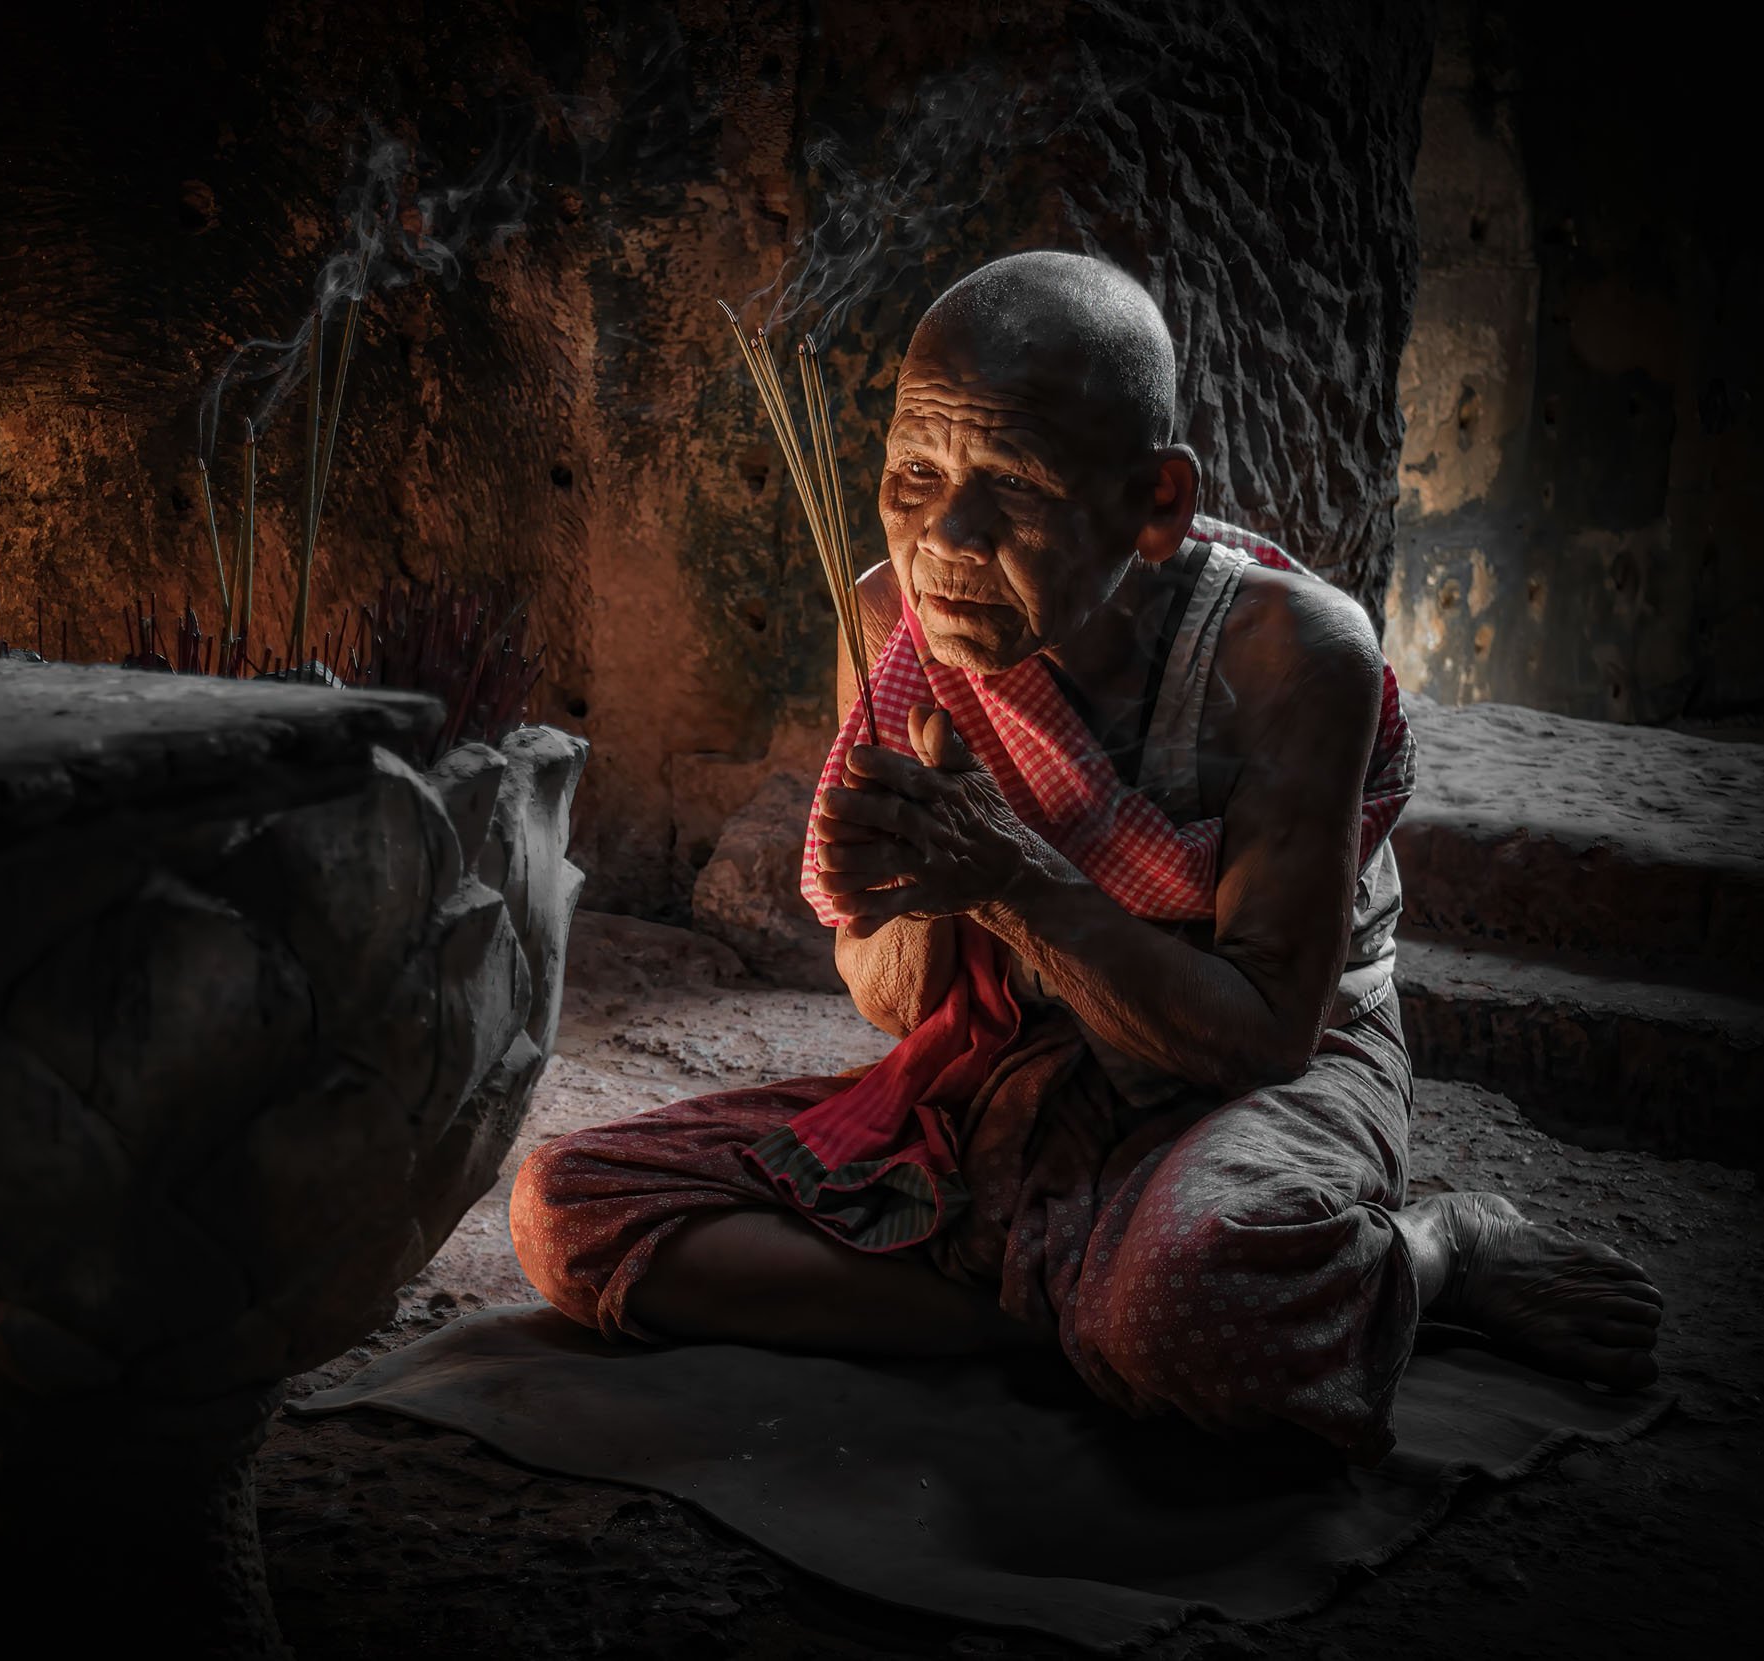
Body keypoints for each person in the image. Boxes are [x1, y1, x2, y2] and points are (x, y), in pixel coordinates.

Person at [510, 251, 1661, 1462]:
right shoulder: (894, 622)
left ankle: (1433, 1250)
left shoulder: (1285, 653)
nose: (945, 536)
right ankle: (1085, 1323)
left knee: (1206, 1293)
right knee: (569, 1210)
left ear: (1155, 501)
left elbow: (1264, 1035)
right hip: (1013, 1054)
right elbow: (902, 1006)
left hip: (1266, 1068)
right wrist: (910, 875)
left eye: (1010, 483)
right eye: (916, 475)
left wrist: (1006, 876)